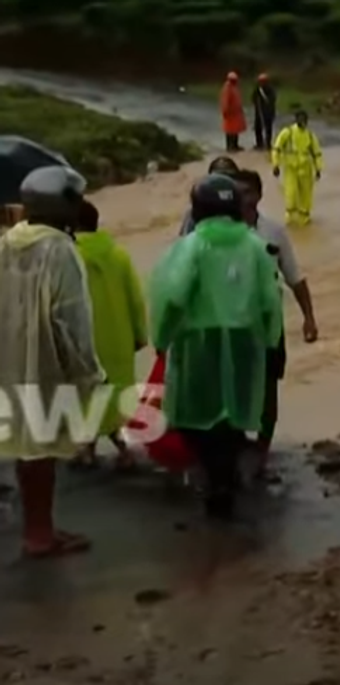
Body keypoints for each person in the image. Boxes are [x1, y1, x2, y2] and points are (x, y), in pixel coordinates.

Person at [149, 173, 282, 518]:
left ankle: (215, 476)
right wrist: (268, 342)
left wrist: (162, 338)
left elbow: (174, 296)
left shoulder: (191, 246)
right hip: (244, 341)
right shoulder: (255, 246)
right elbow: (271, 301)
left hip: (199, 343)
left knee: (198, 418)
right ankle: (225, 474)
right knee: (234, 414)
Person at [0, 166, 103, 558]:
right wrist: (88, 374)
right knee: (41, 450)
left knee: (28, 448)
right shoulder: (60, 251)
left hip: (9, 360)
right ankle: (40, 535)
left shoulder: (8, 242)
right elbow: (71, 320)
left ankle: (37, 528)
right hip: (44, 362)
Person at [230, 168, 319, 480]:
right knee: (233, 386)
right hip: (231, 325)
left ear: (259, 195)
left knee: (268, 389)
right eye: (237, 193)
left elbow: (294, 276)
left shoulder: (274, 232)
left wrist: (309, 318)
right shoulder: (218, 234)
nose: (243, 199)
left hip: (268, 325)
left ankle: (263, 451)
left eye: (247, 192)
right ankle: (237, 443)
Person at [72, 200, 147, 471]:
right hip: (118, 339)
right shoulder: (118, 255)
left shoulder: (67, 256)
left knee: (84, 398)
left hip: (81, 342)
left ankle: (88, 451)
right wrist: (140, 334)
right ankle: (124, 451)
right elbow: (135, 299)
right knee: (115, 400)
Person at [271, 109, 322, 226]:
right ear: (296, 119)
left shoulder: (310, 135)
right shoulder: (287, 133)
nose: (303, 122)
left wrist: (318, 168)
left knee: (306, 194)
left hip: (306, 169)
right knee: (291, 193)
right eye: (300, 119)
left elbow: (317, 152)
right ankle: (290, 216)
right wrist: (276, 165)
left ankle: (304, 216)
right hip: (290, 168)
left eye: (305, 120)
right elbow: (276, 148)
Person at [177, 156, 239, 236]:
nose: (222, 181)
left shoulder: (245, 207)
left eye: (227, 176)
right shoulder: (197, 210)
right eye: (218, 177)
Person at [220, 72, 247, 152]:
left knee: (235, 130)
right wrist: (225, 111)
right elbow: (225, 101)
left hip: (236, 113)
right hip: (230, 113)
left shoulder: (235, 87)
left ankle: (235, 145)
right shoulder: (227, 88)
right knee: (229, 130)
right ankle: (230, 146)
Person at [253, 73, 277, 151]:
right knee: (258, 128)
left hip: (268, 113)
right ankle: (259, 143)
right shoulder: (258, 89)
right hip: (259, 112)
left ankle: (268, 144)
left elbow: (272, 100)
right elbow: (253, 98)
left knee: (268, 129)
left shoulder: (270, 90)